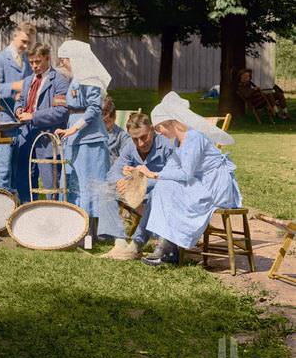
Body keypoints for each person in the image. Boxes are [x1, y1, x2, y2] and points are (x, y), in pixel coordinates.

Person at [138, 92, 241, 266]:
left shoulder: (194, 137)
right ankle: (168, 247)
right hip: (198, 183)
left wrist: (154, 174)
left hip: (214, 186)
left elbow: (185, 174)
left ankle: (168, 248)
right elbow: (170, 171)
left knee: (166, 188)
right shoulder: (178, 142)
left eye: (159, 128)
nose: (159, 133)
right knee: (163, 188)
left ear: (171, 123)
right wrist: (142, 173)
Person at [54, 40, 112, 242]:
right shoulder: (76, 78)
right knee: (73, 180)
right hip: (75, 136)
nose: (64, 63)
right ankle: (73, 228)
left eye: (66, 60)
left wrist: (74, 128)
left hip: (89, 138)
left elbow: (94, 108)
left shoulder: (90, 78)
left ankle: (89, 235)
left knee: (89, 184)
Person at [99, 112, 175, 260]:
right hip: (133, 193)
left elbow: (172, 178)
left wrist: (138, 183)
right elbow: (112, 172)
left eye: (144, 137)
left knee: (158, 192)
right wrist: (121, 180)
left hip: (158, 193)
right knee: (106, 189)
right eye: (135, 139)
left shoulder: (166, 146)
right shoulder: (129, 146)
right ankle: (119, 243)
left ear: (152, 129)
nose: (140, 143)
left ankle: (135, 245)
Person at [11, 43, 70, 203]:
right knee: (24, 178)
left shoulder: (59, 80)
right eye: (31, 62)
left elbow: (61, 111)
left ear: (47, 58)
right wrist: (19, 110)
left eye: (38, 61)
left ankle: (53, 214)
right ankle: (27, 211)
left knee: (51, 184)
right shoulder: (29, 80)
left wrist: (33, 116)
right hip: (26, 136)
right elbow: (21, 100)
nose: (34, 66)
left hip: (47, 139)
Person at [0, 24, 34, 189]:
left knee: (16, 166)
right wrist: (14, 86)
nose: (26, 46)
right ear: (14, 37)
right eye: (23, 42)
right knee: (3, 166)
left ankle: (14, 203)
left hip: (20, 121)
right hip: (3, 119)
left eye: (29, 43)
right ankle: (2, 204)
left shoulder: (27, 60)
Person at [102, 96, 130, 164]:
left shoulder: (122, 136)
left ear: (114, 118)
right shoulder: (92, 132)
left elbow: (125, 158)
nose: (102, 124)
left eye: (106, 121)